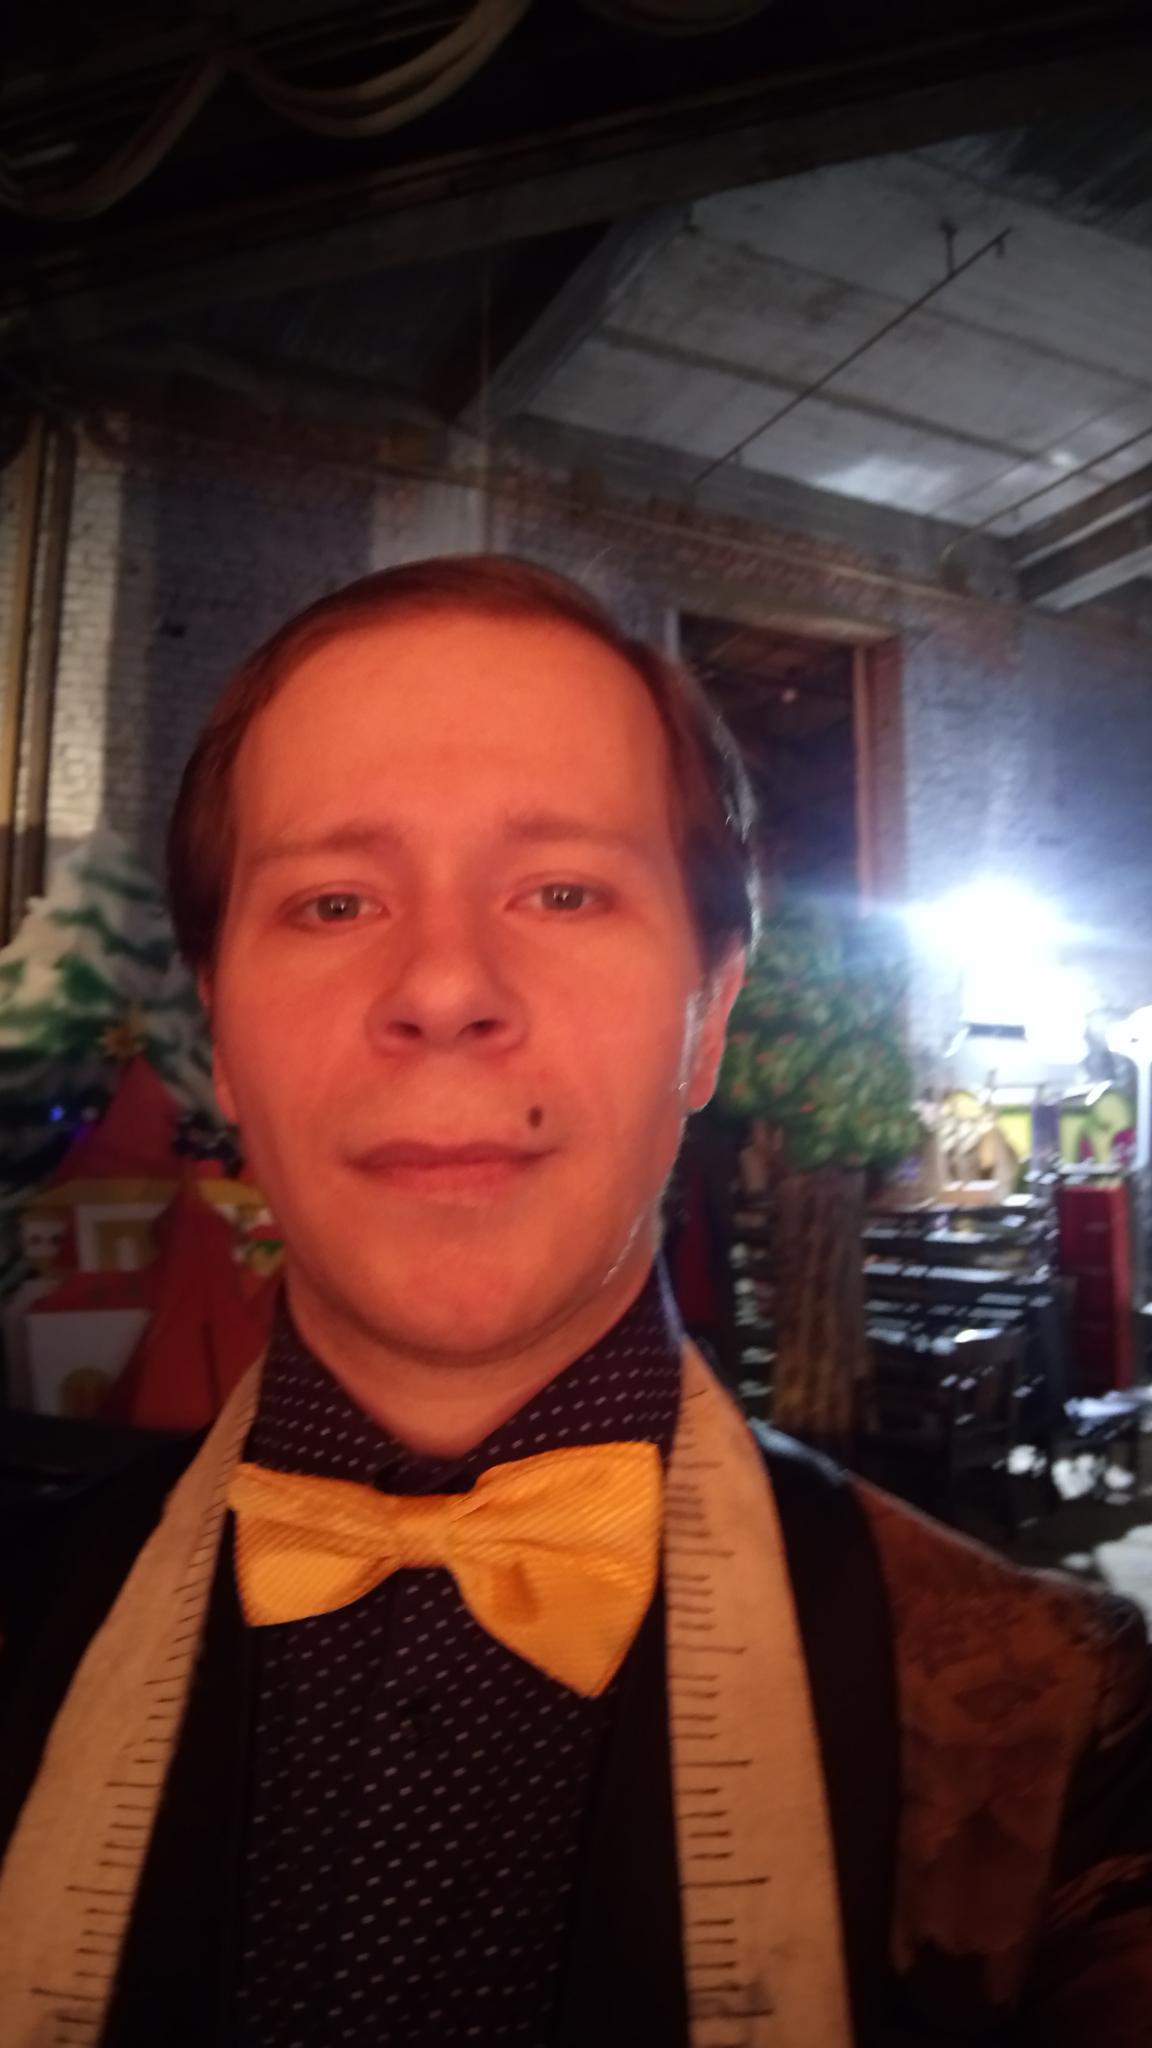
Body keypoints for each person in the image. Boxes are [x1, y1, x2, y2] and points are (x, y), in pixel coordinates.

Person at [1, 556, 1149, 2048]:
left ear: (707, 1018)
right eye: (334, 900)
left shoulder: (1052, 1721)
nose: (444, 987)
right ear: (219, 1031)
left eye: (561, 890)